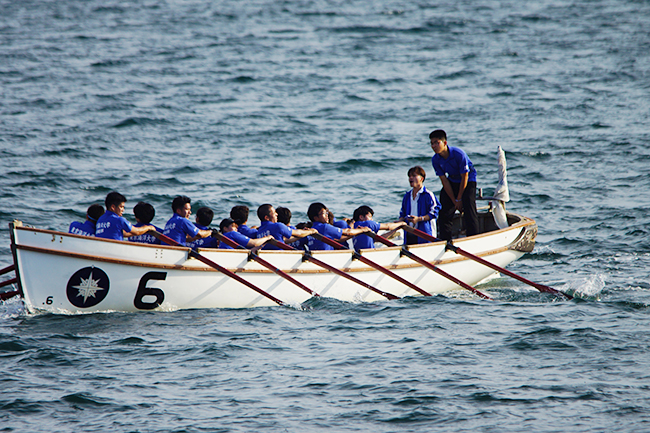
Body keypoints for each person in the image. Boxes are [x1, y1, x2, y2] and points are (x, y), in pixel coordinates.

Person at [430, 129, 479, 240]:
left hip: (468, 180)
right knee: (444, 212)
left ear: (444, 143)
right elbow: (444, 181)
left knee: (469, 209)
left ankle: (474, 238)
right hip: (452, 180)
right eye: (431, 143)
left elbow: (465, 176)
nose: (433, 146)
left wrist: (460, 198)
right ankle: (445, 241)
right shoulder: (435, 159)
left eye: (436, 143)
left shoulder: (458, 154)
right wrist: (454, 201)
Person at [398, 166, 441, 245]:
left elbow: (434, 212)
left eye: (414, 176)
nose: (411, 178)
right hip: (409, 233)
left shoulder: (428, 195)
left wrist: (419, 219)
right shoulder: (407, 196)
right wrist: (400, 221)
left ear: (422, 178)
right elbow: (403, 212)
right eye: (409, 176)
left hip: (425, 234)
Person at [306, 202, 371, 250]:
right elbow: (347, 232)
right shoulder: (324, 227)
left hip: (316, 258)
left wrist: (357, 232)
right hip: (327, 258)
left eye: (326, 213)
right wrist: (362, 230)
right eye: (323, 213)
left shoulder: (311, 229)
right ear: (315, 218)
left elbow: (339, 239)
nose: (327, 215)